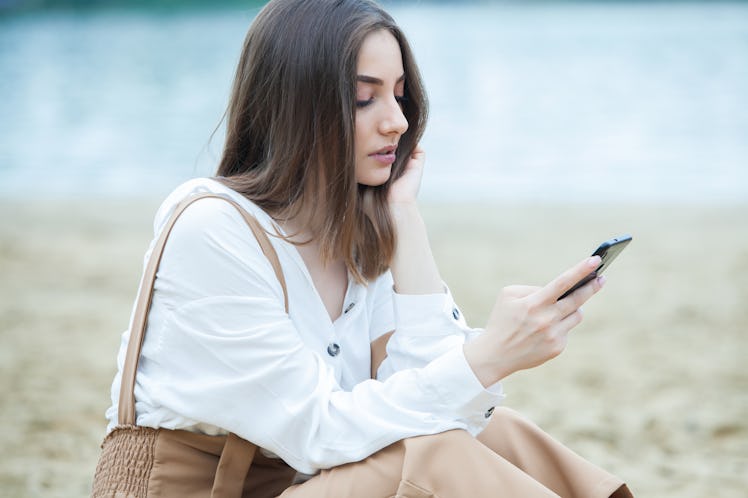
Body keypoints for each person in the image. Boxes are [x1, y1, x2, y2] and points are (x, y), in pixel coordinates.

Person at [103, 0, 633, 496]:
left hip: (305, 481)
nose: (397, 121)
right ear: (295, 108)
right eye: (365, 97)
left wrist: (404, 216)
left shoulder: (353, 233)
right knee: (436, 453)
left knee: (494, 432)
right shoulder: (212, 229)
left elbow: (443, 405)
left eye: (399, 94)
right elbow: (317, 431)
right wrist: (488, 357)